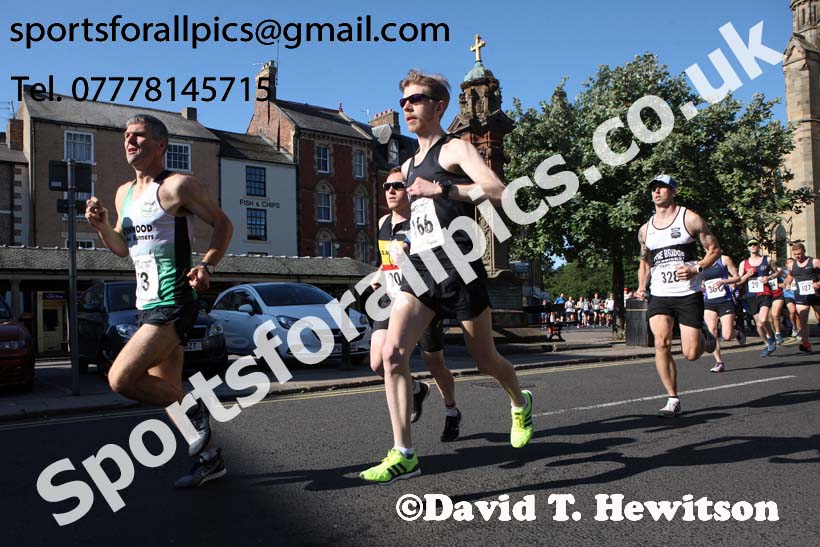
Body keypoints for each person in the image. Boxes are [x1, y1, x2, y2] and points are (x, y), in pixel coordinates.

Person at [359, 70, 533, 484]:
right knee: (392, 355)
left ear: (438, 107)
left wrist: (445, 192)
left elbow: (497, 190)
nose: (407, 107)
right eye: (403, 101)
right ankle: (404, 453)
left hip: (458, 269)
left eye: (416, 100)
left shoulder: (454, 150)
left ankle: (519, 400)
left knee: (485, 359)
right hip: (421, 270)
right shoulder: (407, 164)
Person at [85, 114, 233, 487]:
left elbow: (223, 224)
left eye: (139, 136)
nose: (130, 142)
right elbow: (122, 247)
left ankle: (197, 409)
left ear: (161, 145)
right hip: (145, 304)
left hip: (175, 300)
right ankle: (209, 460)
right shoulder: (123, 194)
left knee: (120, 378)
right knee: (165, 389)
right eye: (126, 136)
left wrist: (206, 265)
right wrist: (102, 226)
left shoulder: (177, 186)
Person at [370, 168, 461, 442]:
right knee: (378, 363)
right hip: (390, 298)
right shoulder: (383, 223)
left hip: (420, 298)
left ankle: (451, 410)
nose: (390, 191)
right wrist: (379, 275)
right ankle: (416, 389)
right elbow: (387, 261)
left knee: (435, 363)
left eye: (397, 185)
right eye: (387, 186)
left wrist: (413, 257)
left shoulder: (424, 222)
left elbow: (441, 262)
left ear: (410, 189)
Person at [636, 174, 718, 417]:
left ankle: (703, 333)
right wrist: (642, 286)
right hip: (660, 293)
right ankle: (672, 398)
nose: (657, 192)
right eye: (653, 189)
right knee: (661, 342)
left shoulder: (690, 219)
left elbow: (714, 249)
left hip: (687, 292)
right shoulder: (645, 230)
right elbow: (645, 262)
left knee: (691, 354)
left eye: (662, 188)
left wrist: (696, 268)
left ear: (673, 191)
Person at [701, 254, 746, 373]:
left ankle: (736, 333)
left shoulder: (724, 259)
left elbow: (737, 277)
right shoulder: (703, 262)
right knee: (712, 333)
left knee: (726, 336)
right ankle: (719, 362)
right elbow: (701, 280)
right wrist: (702, 285)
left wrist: (724, 281)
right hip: (709, 301)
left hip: (725, 301)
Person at [738, 239, 780, 356]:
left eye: (755, 244)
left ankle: (771, 336)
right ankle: (768, 343)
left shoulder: (767, 260)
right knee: (758, 324)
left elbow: (777, 272)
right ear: (748, 248)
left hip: (765, 293)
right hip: (751, 296)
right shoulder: (744, 263)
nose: (753, 246)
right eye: (750, 245)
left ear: (758, 247)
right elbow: (739, 281)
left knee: (762, 321)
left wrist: (769, 277)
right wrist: (747, 275)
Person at [783, 242, 820, 353]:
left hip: (816, 294)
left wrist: (818, 283)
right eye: (795, 254)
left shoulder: (814, 262)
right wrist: (788, 284)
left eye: (799, 253)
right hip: (801, 295)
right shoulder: (791, 265)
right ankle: (805, 343)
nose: (798, 256)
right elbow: (790, 275)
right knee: (803, 319)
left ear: (804, 251)